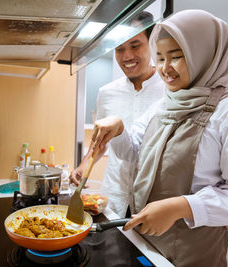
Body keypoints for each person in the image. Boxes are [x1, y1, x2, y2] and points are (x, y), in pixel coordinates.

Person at [90, 9, 228, 267]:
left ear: (205, 56)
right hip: (156, 246)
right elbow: (133, 153)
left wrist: (181, 206)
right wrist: (119, 130)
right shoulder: (166, 105)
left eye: (176, 57)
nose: (165, 69)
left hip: (204, 251)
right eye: (160, 58)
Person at [69, 11, 166, 217]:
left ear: (152, 43)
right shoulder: (107, 93)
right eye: (119, 48)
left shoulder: (170, 90)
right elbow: (100, 141)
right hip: (113, 198)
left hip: (155, 202)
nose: (127, 56)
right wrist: (84, 164)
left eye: (135, 45)